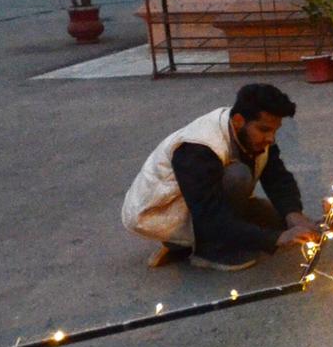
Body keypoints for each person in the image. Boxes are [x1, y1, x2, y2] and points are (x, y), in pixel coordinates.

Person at [122, 83, 321, 271]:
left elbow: (277, 176)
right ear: (239, 121)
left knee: (283, 223)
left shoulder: (248, 131)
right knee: (239, 176)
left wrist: (293, 213)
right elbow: (208, 214)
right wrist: (275, 240)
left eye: (274, 130)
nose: (271, 138)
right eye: (264, 130)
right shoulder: (197, 148)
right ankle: (208, 251)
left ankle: (222, 233)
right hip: (165, 212)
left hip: (206, 200)